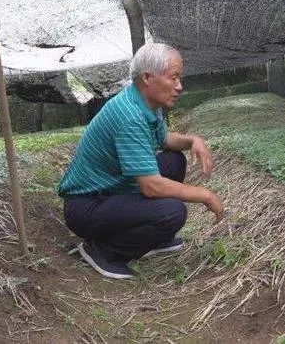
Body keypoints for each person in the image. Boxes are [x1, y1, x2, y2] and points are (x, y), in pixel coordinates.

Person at [58, 43, 225, 279]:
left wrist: (192, 140)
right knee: (172, 212)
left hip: (111, 191)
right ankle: (104, 251)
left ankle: (155, 239)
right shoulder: (129, 116)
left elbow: (164, 139)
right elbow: (151, 186)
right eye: (173, 78)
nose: (179, 86)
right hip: (87, 206)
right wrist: (205, 195)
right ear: (148, 77)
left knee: (174, 161)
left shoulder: (145, 102)